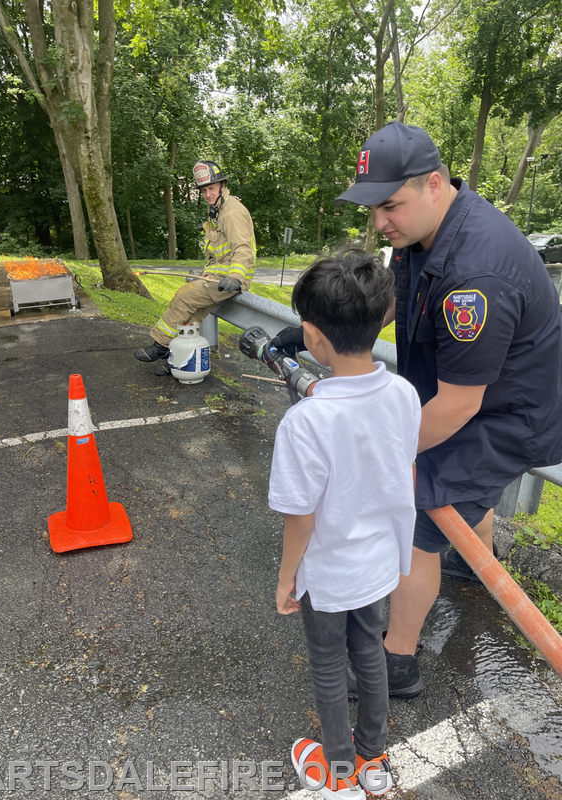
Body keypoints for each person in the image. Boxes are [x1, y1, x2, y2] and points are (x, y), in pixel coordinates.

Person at [275, 121, 562, 698]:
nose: (380, 222)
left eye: (390, 206)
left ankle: (397, 662)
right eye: (373, 208)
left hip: (502, 416)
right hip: (459, 399)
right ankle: (467, 559)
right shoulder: (425, 231)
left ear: (433, 184)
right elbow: (396, 301)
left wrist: (378, 451)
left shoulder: (476, 274)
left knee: (418, 522)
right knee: (448, 503)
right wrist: (326, 330)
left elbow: (458, 406)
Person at [269, 248, 421, 799]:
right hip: (380, 562)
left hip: (329, 574)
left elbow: (301, 518)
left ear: (311, 336)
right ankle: (374, 757)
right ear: (382, 316)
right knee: (371, 654)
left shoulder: (304, 422)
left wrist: (287, 577)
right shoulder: (404, 393)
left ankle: (338, 771)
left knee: (330, 664)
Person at [134, 160, 256, 363]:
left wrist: (235, 277)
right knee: (192, 318)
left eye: (212, 188)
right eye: (204, 190)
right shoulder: (217, 209)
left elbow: (242, 248)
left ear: (222, 186)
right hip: (217, 276)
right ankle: (178, 359)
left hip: (230, 280)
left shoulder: (232, 212)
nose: (208, 194)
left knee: (184, 297)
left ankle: (161, 346)